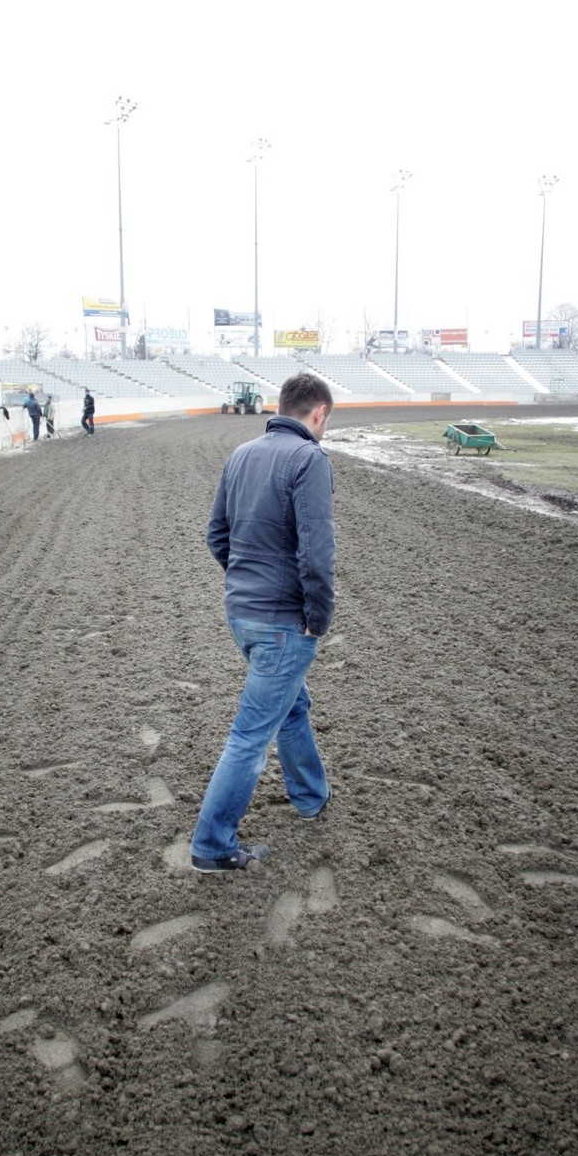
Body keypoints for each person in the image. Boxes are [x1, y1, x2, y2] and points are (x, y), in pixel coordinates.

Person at [190, 372, 336, 873]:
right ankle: (211, 846)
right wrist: (318, 617)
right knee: (250, 735)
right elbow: (316, 552)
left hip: (242, 615)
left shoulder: (242, 455)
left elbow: (217, 536)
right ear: (318, 414)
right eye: (326, 422)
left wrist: (245, 580)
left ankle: (311, 797)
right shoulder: (308, 459)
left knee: (290, 704)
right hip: (282, 623)